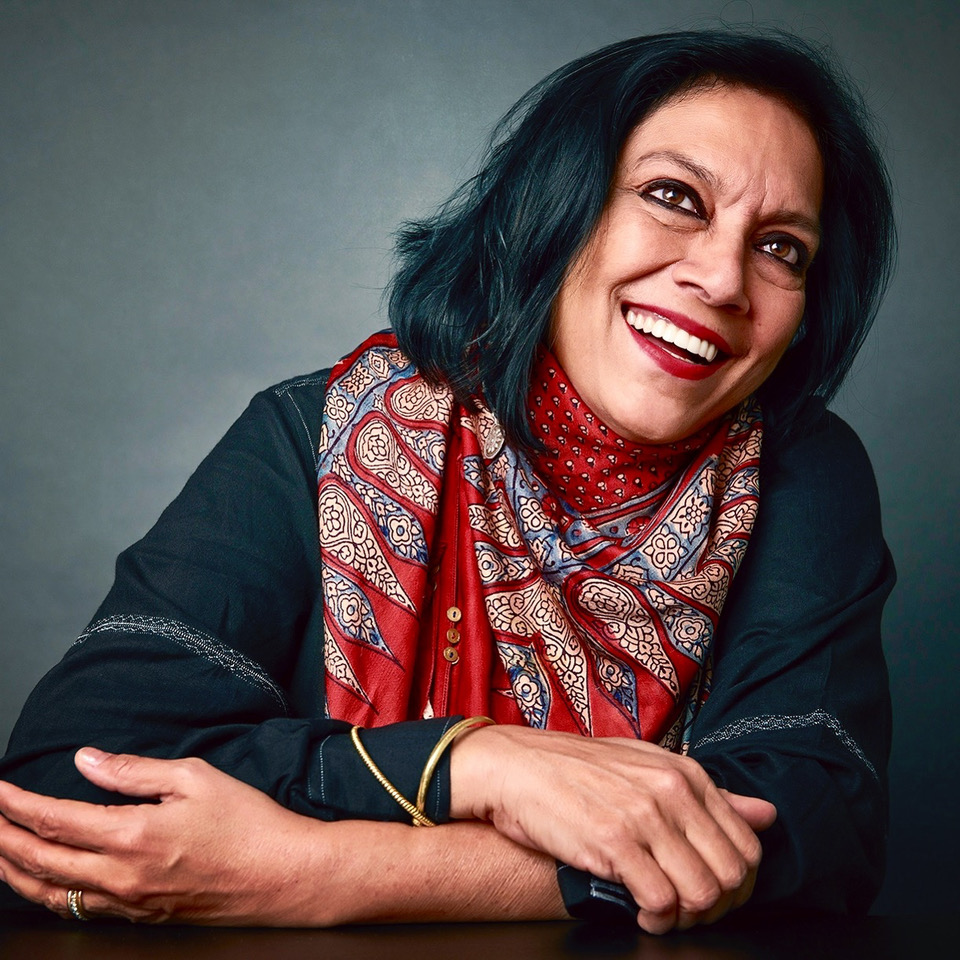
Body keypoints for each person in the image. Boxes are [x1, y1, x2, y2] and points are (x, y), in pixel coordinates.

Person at [0, 27, 895, 935]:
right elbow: (58, 785)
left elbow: (814, 829)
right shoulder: (314, 436)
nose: (722, 278)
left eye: (782, 248)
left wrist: (331, 873)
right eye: (674, 197)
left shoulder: (793, 469)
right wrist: (481, 766)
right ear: (559, 205)